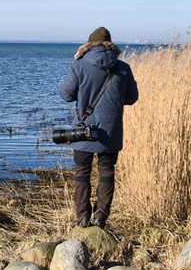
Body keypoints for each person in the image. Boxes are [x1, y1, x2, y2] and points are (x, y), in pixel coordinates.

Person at [59, 27, 139, 228]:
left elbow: (66, 95)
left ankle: (83, 217)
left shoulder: (79, 66)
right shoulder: (123, 68)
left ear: (89, 44)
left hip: (83, 130)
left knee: (81, 172)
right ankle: (100, 217)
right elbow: (132, 98)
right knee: (107, 173)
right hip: (110, 132)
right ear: (111, 46)